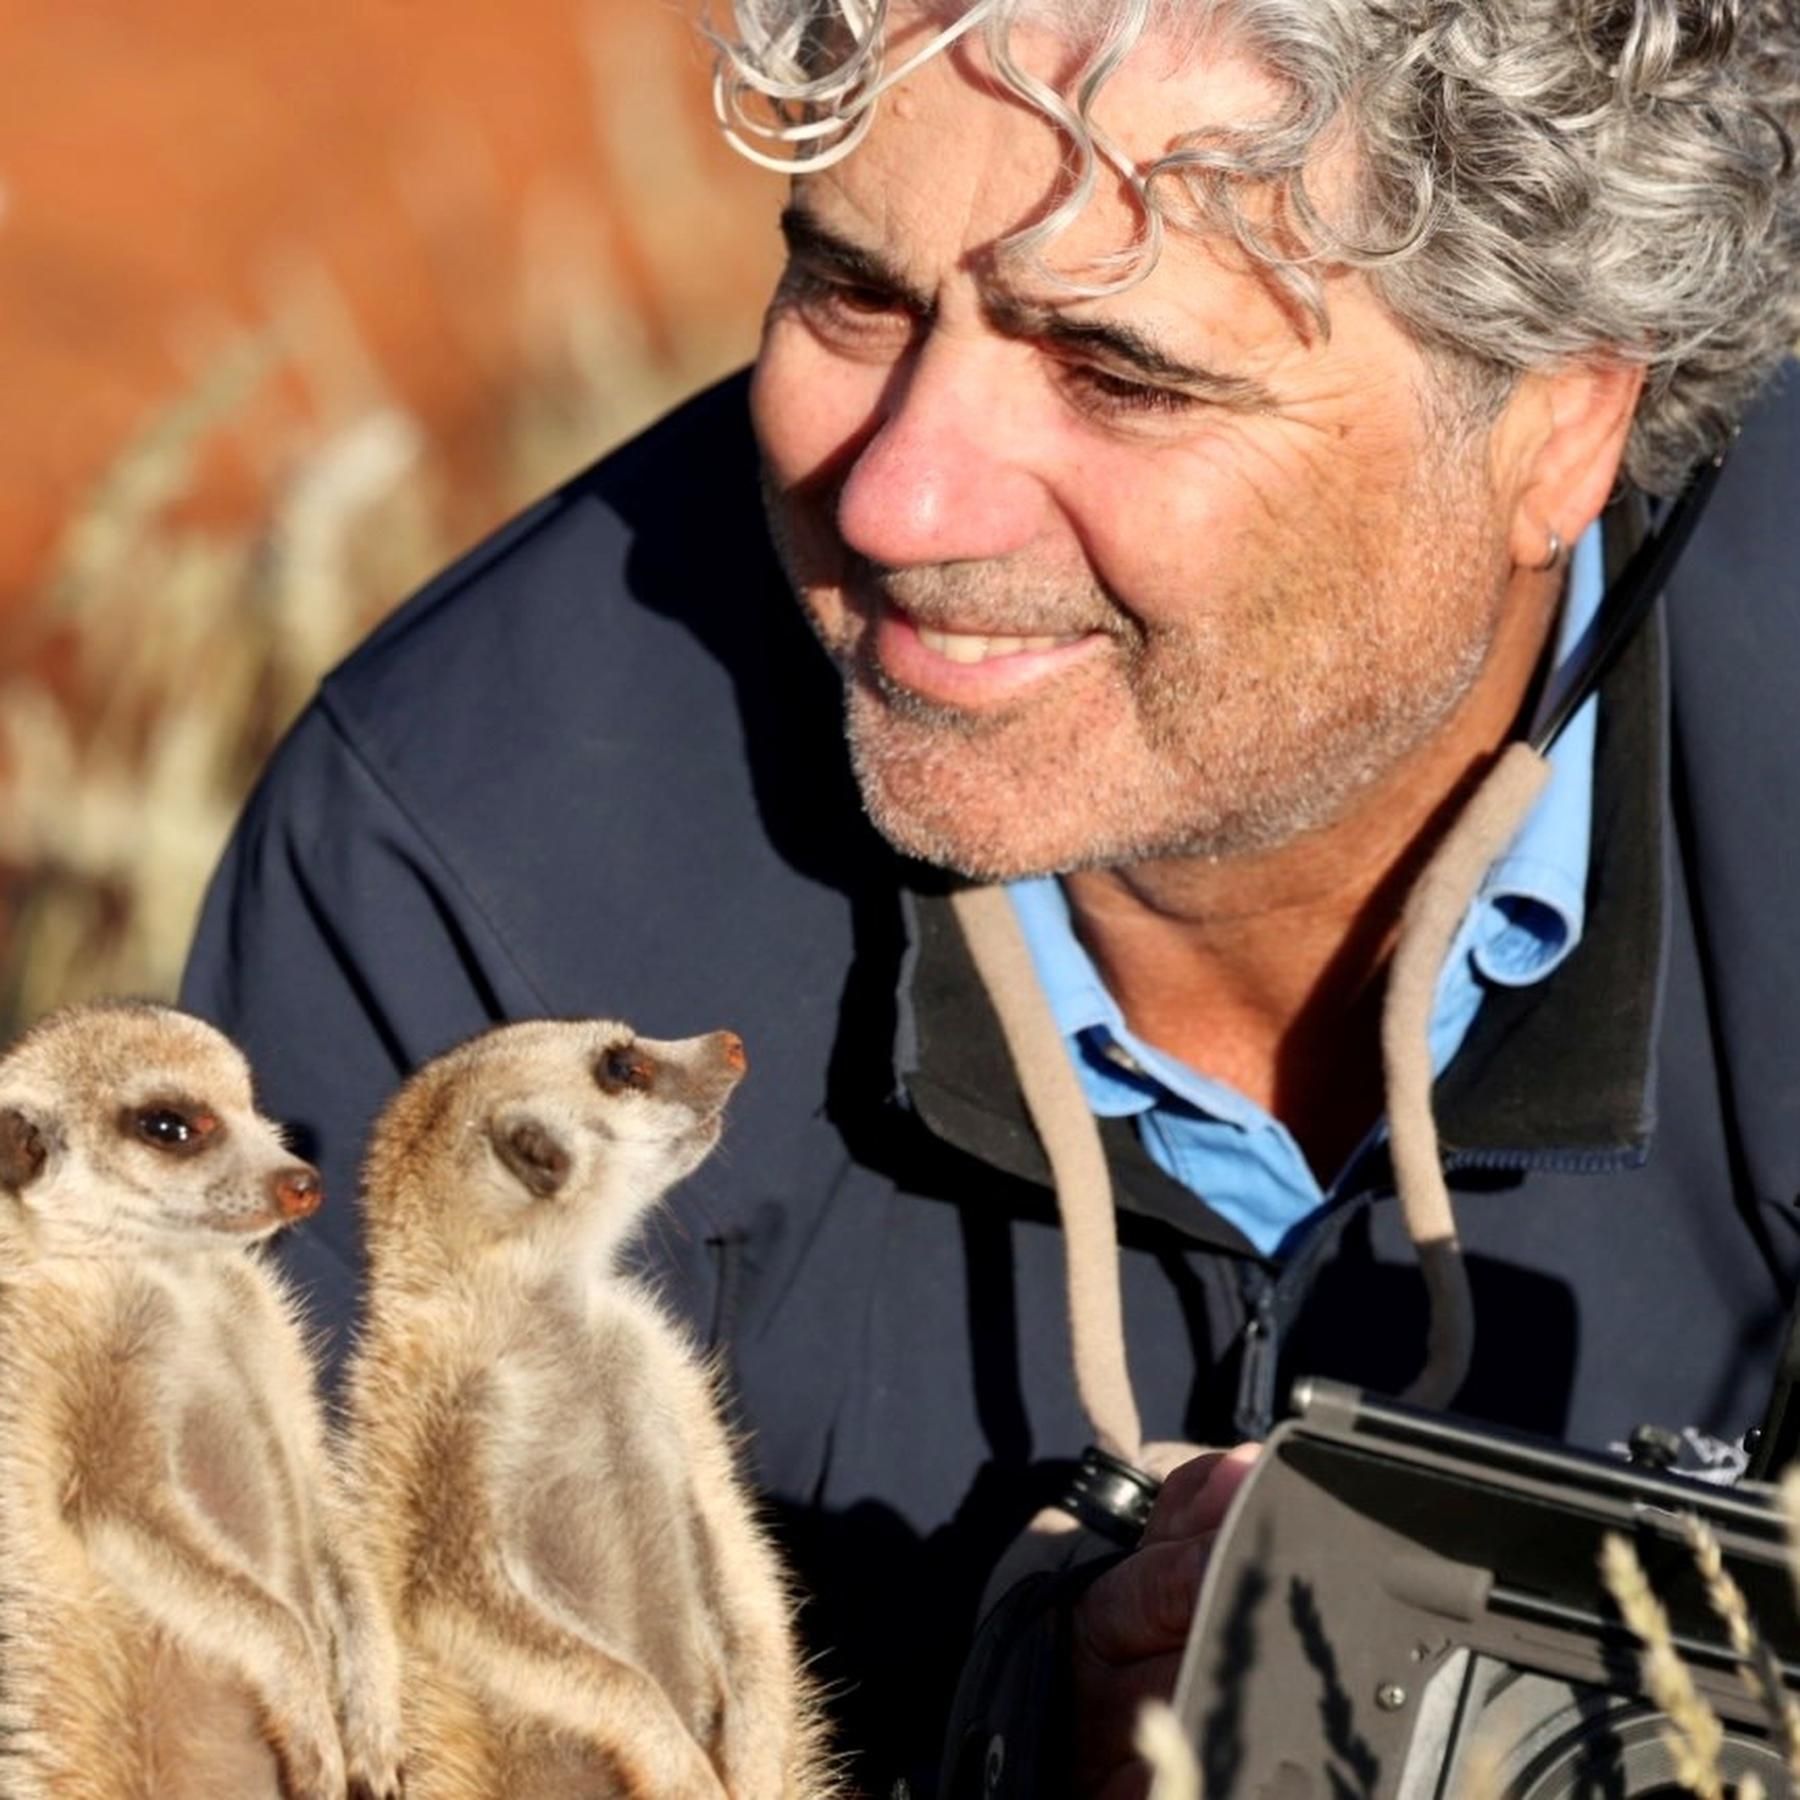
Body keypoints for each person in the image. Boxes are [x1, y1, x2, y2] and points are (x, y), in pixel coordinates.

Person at [181, 0, 1800, 1793]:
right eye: (852, 293)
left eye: (1120, 372)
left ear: (1563, 424)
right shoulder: (469, 871)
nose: (898, 500)